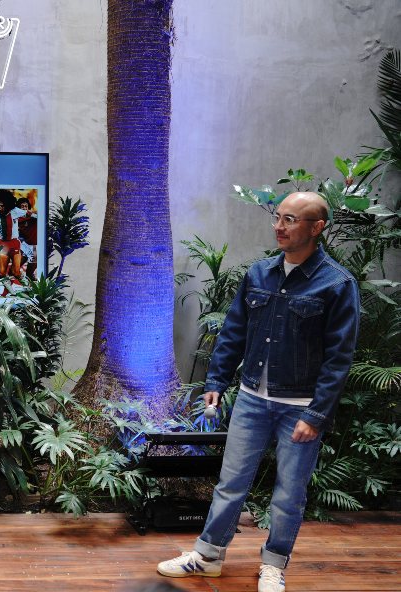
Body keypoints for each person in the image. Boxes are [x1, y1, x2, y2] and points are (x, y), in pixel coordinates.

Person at [156, 192, 359, 592]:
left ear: (317, 228)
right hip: (251, 398)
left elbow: (339, 358)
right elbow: (233, 332)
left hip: (300, 407)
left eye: (291, 219)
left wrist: (316, 414)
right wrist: (216, 382)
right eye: (278, 217)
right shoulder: (260, 273)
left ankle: (273, 565)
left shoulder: (337, 283)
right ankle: (208, 557)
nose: (279, 226)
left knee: (289, 493)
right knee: (230, 483)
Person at [16, 195, 38, 280]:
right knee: (15, 267)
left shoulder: (34, 216)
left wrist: (32, 214)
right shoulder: (17, 219)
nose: (24, 208)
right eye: (22, 206)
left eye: (26, 206)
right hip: (25, 245)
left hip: (35, 246)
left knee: (30, 272)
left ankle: (30, 282)